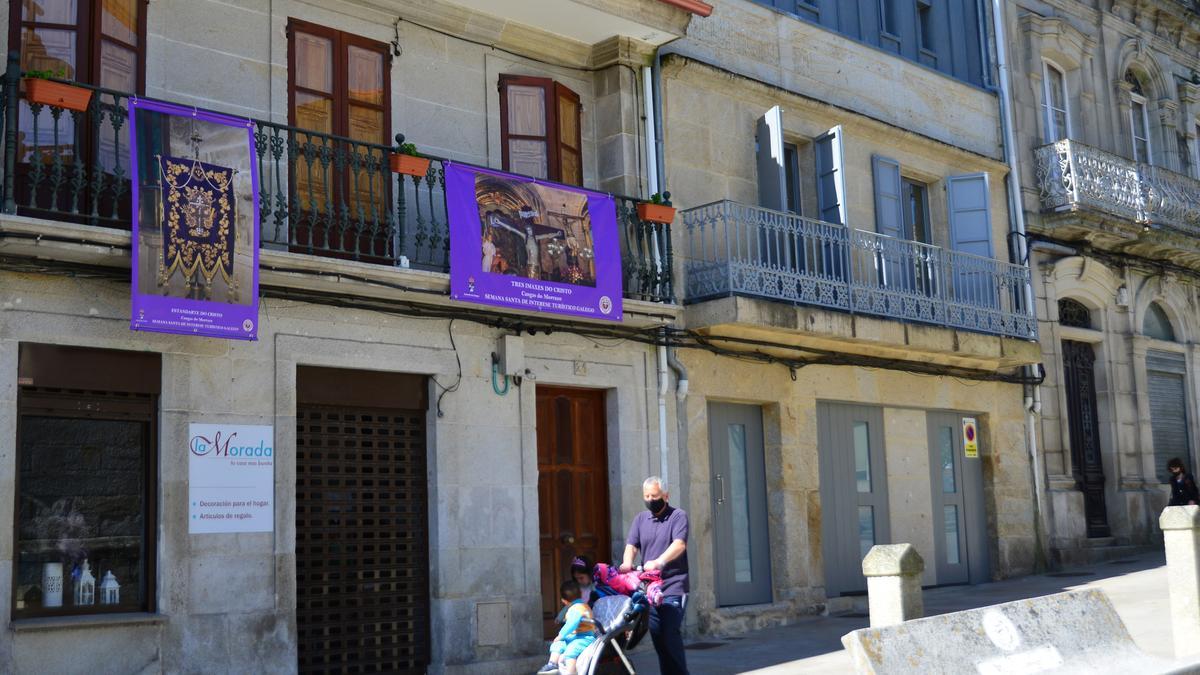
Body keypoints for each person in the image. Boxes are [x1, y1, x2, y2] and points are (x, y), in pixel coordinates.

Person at [620, 476, 689, 675]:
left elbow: (679, 544)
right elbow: (631, 545)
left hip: (674, 586)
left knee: (670, 634)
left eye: (655, 495)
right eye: (647, 496)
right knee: (658, 638)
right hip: (651, 589)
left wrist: (659, 562)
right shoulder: (641, 519)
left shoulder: (678, 516)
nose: (650, 499)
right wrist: (627, 562)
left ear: (666, 496)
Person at [537, 579, 596, 675]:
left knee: (570, 651)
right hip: (575, 637)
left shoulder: (577, 608)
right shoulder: (582, 605)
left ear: (564, 601)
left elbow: (571, 624)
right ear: (580, 594)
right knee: (558, 644)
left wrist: (561, 635)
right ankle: (552, 664)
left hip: (585, 637)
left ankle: (571, 672)